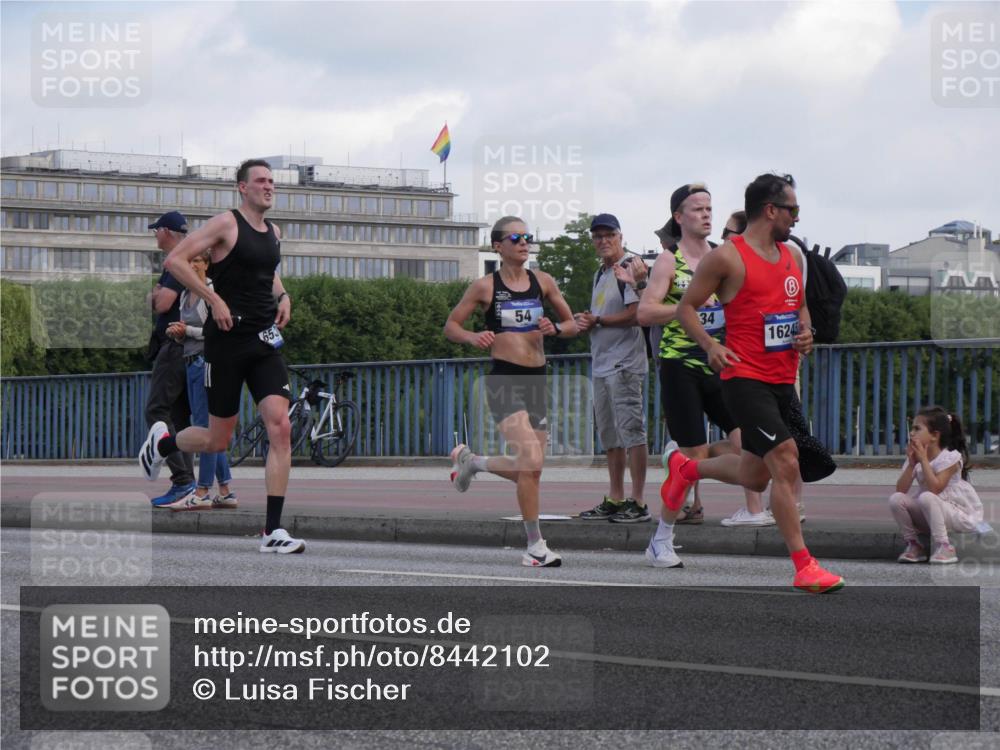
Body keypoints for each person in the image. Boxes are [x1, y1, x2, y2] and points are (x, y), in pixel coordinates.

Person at [658, 173, 845, 593]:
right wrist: (709, 345)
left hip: (783, 380)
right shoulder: (727, 257)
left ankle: (685, 468)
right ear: (770, 210)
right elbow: (687, 309)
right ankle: (804, 565)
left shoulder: (793, 257)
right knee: (786, 458)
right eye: (792, 210)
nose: (796, 218)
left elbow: (799, 310)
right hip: (744, 378)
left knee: (756, 475)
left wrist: (806, 333)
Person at [138, 159, 302, 554]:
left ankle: (272, 532)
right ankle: (161, 444)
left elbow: (269, 272)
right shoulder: (225, 224)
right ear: (242, 188)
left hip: (263, 342)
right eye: (261, 181)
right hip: (226, 343)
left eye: (272, 181)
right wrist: (213, 298)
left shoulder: (274, 233)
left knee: (280, 427)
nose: (269, 186)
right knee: (216, 439)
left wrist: (283, 296)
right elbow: (175, 261)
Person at [444, 216, 578, 567]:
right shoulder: (485, 287)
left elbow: (572, 324)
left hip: (538, 379)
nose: (523, 242)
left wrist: (556, 327)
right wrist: (473, 337)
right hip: (503, 379)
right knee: (530, 461)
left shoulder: (543, 282)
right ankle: (535, 547)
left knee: (532, 471)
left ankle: (473, 462)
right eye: (515, 237)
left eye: (527, 236)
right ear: (497, 246)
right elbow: (451, 326)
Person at [637, 185, 770, 529]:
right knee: (693, 454)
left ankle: (754, 511)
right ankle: (665, 531)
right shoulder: (669, 260)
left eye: (709, 208)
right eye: (697, 209)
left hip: (719, 361)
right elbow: (645, 312)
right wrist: (688, 307)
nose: (706, 215)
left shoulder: (721, 256)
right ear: (679, 217)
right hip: (680, 364)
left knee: (749, 442)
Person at [575, 214, 651, 524]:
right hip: (602, 362)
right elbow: (605, 313)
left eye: (609, 235)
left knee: (632, 431)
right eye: (598, 236)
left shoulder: (630, 267)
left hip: (625, 363)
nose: (603, 241)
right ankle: (616, 496)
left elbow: (637, 314)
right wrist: (589, 320)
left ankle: (639, 500)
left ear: (620, 236)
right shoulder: (601, 273)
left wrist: (599, 321)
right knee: (610, 436)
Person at [163, 250, 237, 511]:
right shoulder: (185, 294)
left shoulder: (210, 292)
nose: (192, 265)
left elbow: (217, 330)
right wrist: (177, 334)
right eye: (189, 260)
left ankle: (203, 491)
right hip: (190, 362)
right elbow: (190, 335)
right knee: (206, 428)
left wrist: (188, 331)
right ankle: (226, 490)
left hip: (207, 362)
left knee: (206, 429)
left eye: (197, 261)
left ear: (207, 264)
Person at [144, 211, 195, 507]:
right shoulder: (187, 258)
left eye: (156, 229)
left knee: (156, 411)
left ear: (166, 231)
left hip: (174, 346)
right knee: (179, 418)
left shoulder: (177, 261)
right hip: (186, 347)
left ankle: (182, 481)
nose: (154, 234)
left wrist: (155, 294)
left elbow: (161, 301)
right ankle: (188, 484)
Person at [889, 406, 983, 564]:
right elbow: (901, 490)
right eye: (912, 428)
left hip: (955, 513)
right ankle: (914, 545)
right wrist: (912, 464)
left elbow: (935, 488)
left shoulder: (950, 458)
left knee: (927, 496)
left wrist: (923, 460)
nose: (911, 433)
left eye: (917, 429)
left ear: (934, 436)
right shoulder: (916, 457)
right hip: (929, 512)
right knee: (896, 499)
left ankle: (945, 546)